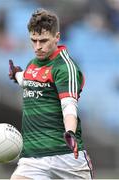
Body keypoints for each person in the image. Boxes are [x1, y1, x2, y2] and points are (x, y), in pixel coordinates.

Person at [9, 8, 93, 180]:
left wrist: (70, 132)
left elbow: (69, 105)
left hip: (67, 156)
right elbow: (29, 79)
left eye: (43, 41)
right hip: (33, 157)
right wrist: (17, 75)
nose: (38, 47)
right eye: (34, 40)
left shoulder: (64, 68)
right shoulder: (33, 65)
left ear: (57, 37)